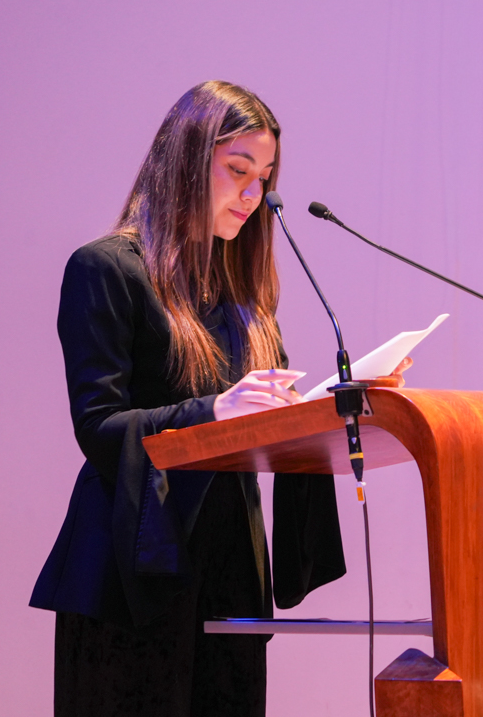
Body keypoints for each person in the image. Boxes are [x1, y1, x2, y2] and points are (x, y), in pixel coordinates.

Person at [30, 81, 395, 716]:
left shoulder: (245, 297)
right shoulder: (106, 269)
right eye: (238, 171)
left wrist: (341, 404)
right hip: (133, 572)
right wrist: (216, 412)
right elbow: (99, 427)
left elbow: (269, 419)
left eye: (265, 178)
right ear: (186, 161)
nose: (254, 195)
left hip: (229, 573)